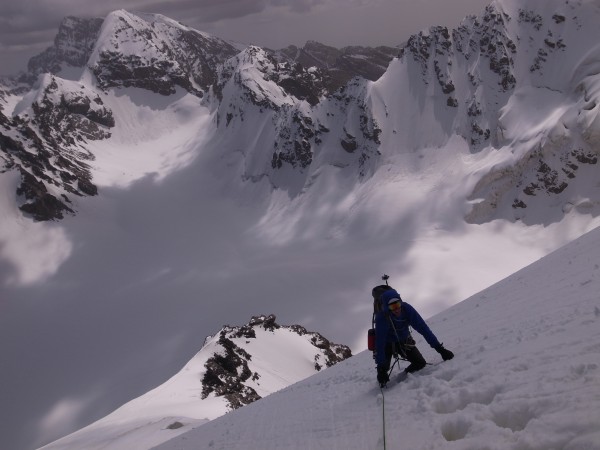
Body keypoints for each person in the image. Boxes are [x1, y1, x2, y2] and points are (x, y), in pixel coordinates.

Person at [372, 284, 454, 387]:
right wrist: (380, 368)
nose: (396, 309)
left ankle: (403, 376)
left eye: (397, 304)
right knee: (384, 368)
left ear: (401, 302)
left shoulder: (407, 309)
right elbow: (380, 342)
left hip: (404, 340)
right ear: (387, 308)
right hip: (387, 344)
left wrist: (440, 349)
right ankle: (383, 373)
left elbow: (423, 328)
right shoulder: (382, 317)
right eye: (392, 307)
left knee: (420, 363)